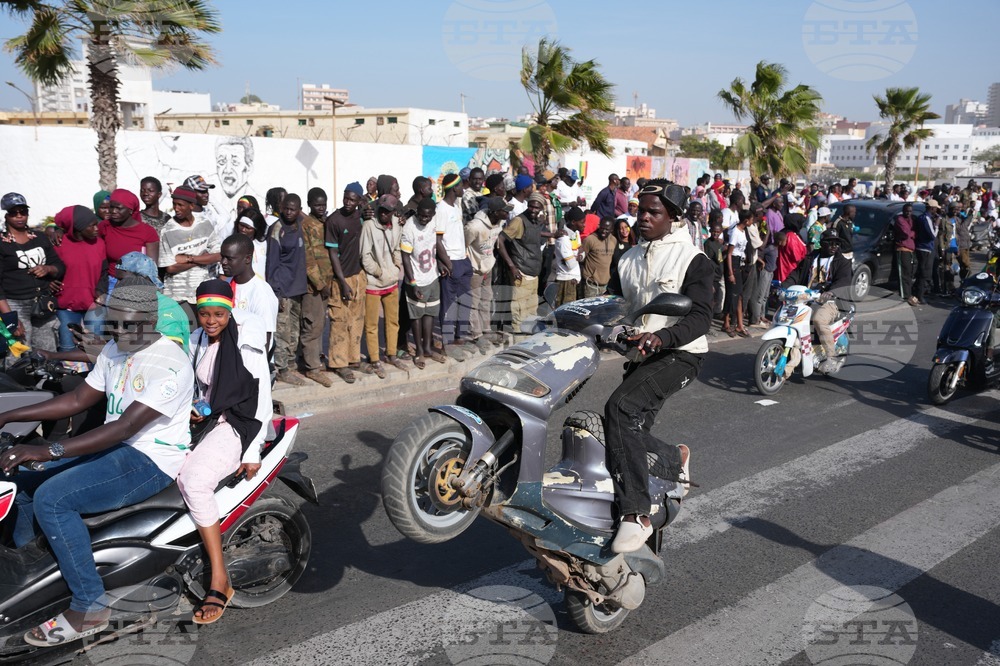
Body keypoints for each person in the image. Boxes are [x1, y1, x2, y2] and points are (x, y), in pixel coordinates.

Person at [0, 277, 193, 646]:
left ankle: (90, 605)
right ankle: (37, 577)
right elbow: (76, 401)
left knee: (53, 498)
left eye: (128, 324)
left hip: (150, 458)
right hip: (115, 447)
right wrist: (9, 416)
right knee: (21, 482)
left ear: (149, 320)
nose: (120, 330)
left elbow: (126, 427)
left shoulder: (170, 362)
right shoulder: (115, 350)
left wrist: (50, 450)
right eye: (114, 322)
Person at [604, 179, 711, 553]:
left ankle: (637, 514)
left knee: (619, 409)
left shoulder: (692, 259)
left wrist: (662, 337)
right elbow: (613, 304)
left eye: (654, 212)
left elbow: (700, 317)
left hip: (681, 355)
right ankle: (671, 458)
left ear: (674, 216)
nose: (644, 218)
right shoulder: (628, 258)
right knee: (621, 432)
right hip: (642, 356)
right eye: (640, 210)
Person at [177, 279, 270, 625]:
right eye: (204, 314)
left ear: (230, 312)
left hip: (238, 423)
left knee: (194, 480)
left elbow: (260, 394)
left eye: (218, 314)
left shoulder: (245, 338)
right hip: (206, 419)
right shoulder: (197, 339)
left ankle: (219, 578)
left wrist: (253, 450)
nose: (211, 320)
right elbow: (190, 382)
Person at [0, 193, 65, 352]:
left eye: (23, 212)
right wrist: (10, 318)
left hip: (42, 302)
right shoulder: (2, 243)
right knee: (19, 354)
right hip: (15, 303)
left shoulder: (40, 238)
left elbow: (59, 266)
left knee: (47, 353)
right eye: (14, 213)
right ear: (6, 216)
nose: (20, 216)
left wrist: (48, 269)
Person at [159, 186, 221, 328]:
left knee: (200, 340)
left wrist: (189, 258)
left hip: (203, 294)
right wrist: (203, 258)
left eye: (180, 205)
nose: (176, 208)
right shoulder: (167, 230)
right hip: (177, 297)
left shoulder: (204, 224)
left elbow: (217, 255)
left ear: (192, 205)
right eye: (174, 204)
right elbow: (170, 267)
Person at [325, 182, 367, 384]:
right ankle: (338, 363)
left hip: (358, 277)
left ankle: (352, 359)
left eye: (352, 199)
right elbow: (333, 253)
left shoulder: (361, 217)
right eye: (345, 198)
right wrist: (342, 282)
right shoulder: (334, 220)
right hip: (340, 278)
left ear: (359, 200)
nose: (348, 203)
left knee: (356, 320)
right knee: (339, 321)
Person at [359, 193, 404, 378]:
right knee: (371, 324)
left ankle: (391, 354)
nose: (384, 214)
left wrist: (396, 267)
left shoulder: (397, 224)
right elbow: (365, 255)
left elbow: (397, 248)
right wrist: (378, 272)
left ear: (393, 212)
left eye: (387, 212)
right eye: (381, 211)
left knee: (393, 321)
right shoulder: (369, 225)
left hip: (391, 280)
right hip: (373, 281)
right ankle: (375, 358)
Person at [795, 229, 853, 374]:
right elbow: (795, 274)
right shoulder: (810, 259)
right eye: (830, 243)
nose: (834, 246)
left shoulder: (843, 262)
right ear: (821, 244)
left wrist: (831, 292)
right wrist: (782, 287)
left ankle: (831, 357)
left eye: (837, 243)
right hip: (807, 298)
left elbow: (844, 280)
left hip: (832, 301)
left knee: (819, 320)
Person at [266, 193, 309, 385]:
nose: (289, 212)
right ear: (281, 208)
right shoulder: (277, 230)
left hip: (298, 288)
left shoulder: (300, 224)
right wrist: (276, 293)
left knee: (295, 331)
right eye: (287, 209)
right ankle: (282, 370)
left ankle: (290, 364)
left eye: (294, 209)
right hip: (282, 288)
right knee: (282, 332)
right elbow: (272, 264)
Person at [52, 205, 105, 352]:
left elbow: (104, 271)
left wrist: (100, 292)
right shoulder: (58, 244)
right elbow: (50, 269)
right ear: (77, 228)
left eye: (96, 224)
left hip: (93, 305)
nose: (96, 229)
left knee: (96, 349)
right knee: (67, 348)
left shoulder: (99, 243)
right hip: (65, 306)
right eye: (92, 226)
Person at [401, 197, 446, 368]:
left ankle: (427, 348)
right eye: (421, 216)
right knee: (417, 316)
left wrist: (442, 262)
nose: (423, 219)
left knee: (430, 313)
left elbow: (437, 245)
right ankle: (419, 351)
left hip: (432, 276)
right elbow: (405, 257)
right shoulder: (409, 227)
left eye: (427, 216)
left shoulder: (434, 222)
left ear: (433, 215)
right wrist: (412, 282)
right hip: (416, 279)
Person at [434, 173, 474, 359]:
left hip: (463, 259)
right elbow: (438, 240)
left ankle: (460, 338)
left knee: (465, 301)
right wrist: (447, 262)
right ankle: (447, 342)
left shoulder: (456, 206)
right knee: (449, 304)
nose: (463, 189)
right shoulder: (441, 209)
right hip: (452, 261)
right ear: (453, 188)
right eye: (460, 186)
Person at [299, 188, 334, 388]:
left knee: (320, 324)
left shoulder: (325, 222)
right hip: (314, 287)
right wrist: (320, 284)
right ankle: (312, 368)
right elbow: (308, 259)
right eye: (317, 205)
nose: (321, 208)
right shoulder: (306, 225)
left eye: (323, 204)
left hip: (327, 284)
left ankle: (315, 359)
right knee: (312, 325)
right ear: (310, 204)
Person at [220, 234, 278, 354]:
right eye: (222, 257)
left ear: (247, 259)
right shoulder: (227, 284)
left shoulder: (261, 293)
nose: (223, 262)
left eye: (229, 258)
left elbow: (265, 339)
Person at [465, 197, 507, 351]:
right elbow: (464, 244)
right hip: (475, 268)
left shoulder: (499, 223)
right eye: (504, 211)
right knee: (474, 302)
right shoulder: (474, 226)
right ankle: (476, 334)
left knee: (486, 298)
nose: (507, 213)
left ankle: (486, 329)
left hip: (488, 266)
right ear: (495, 212)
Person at [100, 189, 159, 279]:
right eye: (111, 207)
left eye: (119, 208)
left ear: (130, 210)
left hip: (138, 282)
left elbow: (151, 268)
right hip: (110, 281)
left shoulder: (147, 232)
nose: (114, 211)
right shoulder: (104, 227)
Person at [722, 209, 750, 337]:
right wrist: (730, 273)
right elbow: (729, 253)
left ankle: (739, 324)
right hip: (732, 263)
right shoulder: (735, 232)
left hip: (740, 263)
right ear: (746, 220)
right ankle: (727, 322)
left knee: (739, 295)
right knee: (731, 294)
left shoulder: (743, 232)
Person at [554, 205, 584, 306]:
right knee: (563, 310)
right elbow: (570, 264)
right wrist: (577, 257)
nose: (584, 225)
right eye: (582, 222)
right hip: (565, 280)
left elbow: (582, 253)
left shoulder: (576, 233)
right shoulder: (563, 238)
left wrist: (576, 256)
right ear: (573, 222)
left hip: (572, 279)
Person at [580, 215, 615, 299]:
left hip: (605, 286)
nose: (604, 231)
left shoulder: (613, 240)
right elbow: (581, 260)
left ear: (611, 230)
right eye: (602, 228)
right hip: (591, 285)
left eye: (607, 229)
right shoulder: (590, 240)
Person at [913, 200, 939, 304]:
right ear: (932, 208)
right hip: (925, 248)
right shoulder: (926, 218)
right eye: (935, 208)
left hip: (922, 247)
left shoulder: (921, 217)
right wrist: (936, 225)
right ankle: (919, 295)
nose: (936, 210)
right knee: (924, 273)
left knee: (922, 272)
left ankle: (918, 293)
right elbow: (933, 235)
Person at [235, 206, 269, 278]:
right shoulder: (232, 245)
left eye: (248, 228)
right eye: (241, 225)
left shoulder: (264, 245)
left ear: (256, 229)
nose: (243, 230)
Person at [894, 203, 918, 306]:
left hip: (910, 249)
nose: (908, 213)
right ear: (903, 211)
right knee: (903, 273)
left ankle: (909, 293)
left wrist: (912, 233)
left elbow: (914, 232)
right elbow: (906, 233)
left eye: (910, 211)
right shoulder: (900, 219)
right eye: (906, 211)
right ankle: (905, 295)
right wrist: (912, 233)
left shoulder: (911, 220)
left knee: (909, 273)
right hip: (902, 249)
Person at [702, 221, 726, 317]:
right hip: (712, 276)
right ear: (710, 231)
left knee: (717, 299)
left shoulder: (718, 243)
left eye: (718, 232)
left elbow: (719, 258)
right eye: (714, 231)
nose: (715, 234)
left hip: (717, 275)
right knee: (710, 300)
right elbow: (707, 261)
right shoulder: (708, 244)